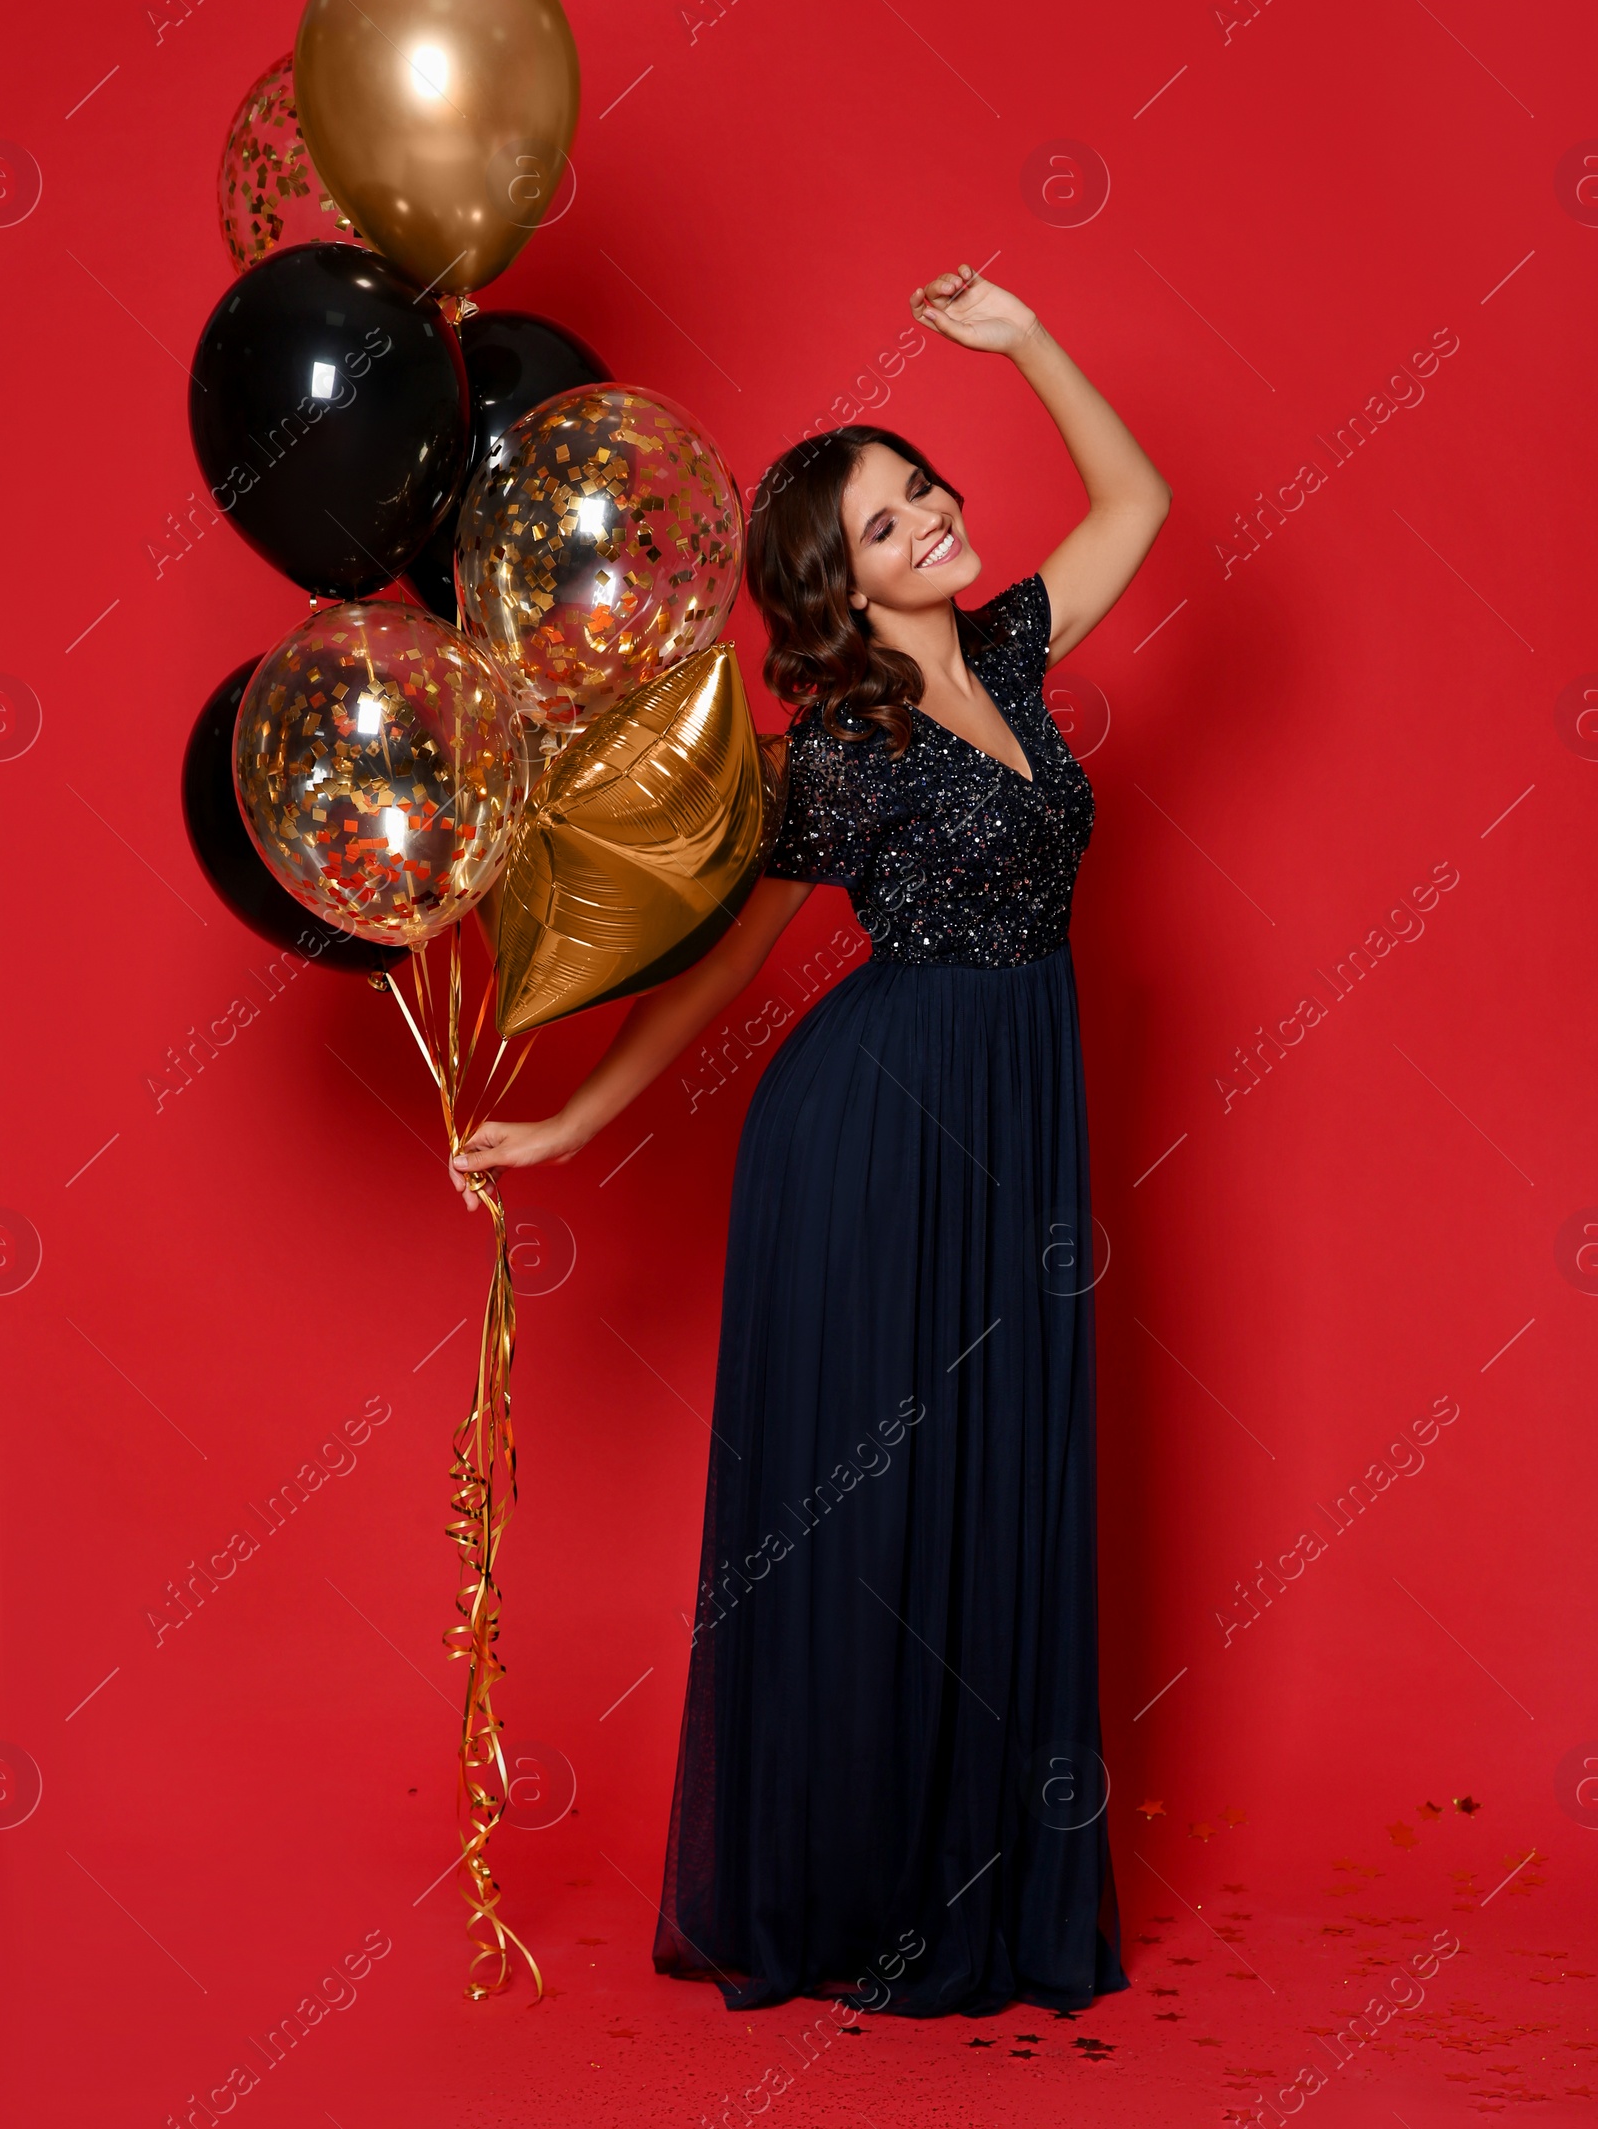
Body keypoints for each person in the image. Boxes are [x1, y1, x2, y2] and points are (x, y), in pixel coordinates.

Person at [450, 265, 1170, 2017]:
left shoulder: (1010, 647)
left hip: (1022, 1111)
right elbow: (713, 978)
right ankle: (862, 1892)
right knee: (883, 1504)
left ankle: (979, 1878)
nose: (927, 515)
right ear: (832, 582)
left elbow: (1139, 501)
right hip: (875, 1143)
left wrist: (1023, 341)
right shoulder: (838, 753)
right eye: (882, 517)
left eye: (922, 487)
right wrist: (575, 1119)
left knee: (998, 1475)